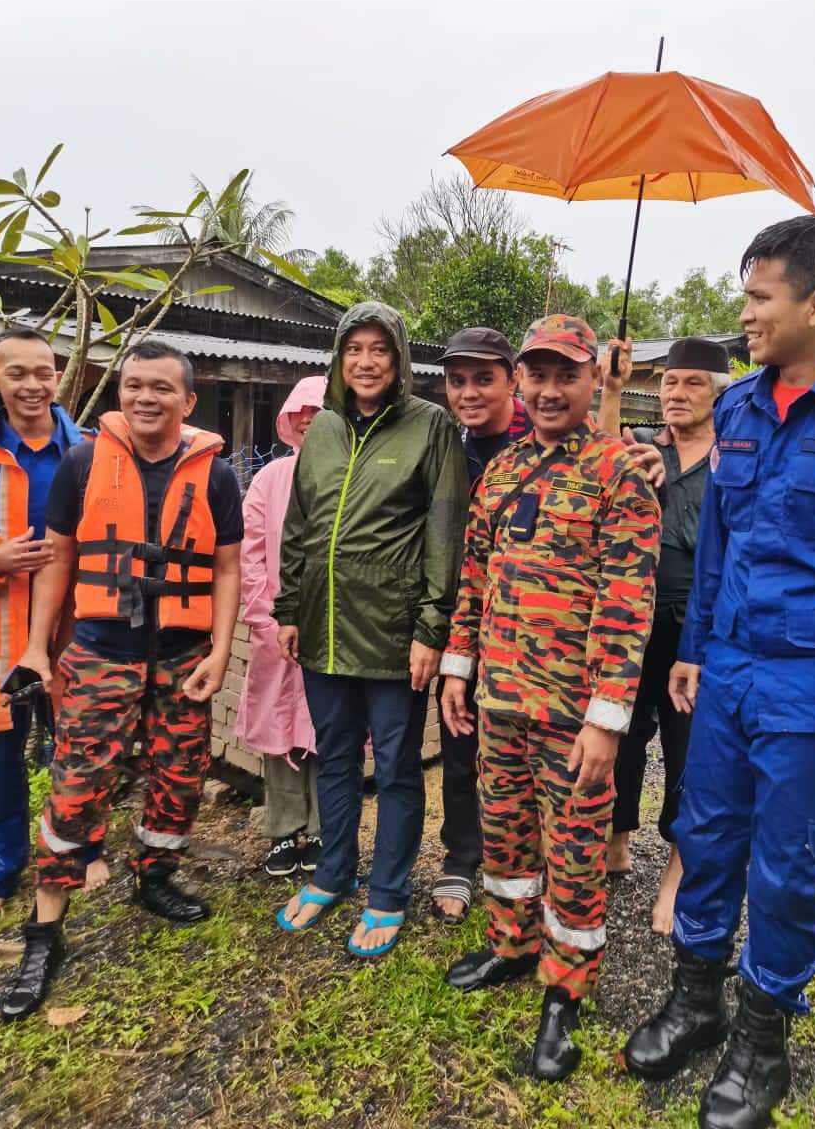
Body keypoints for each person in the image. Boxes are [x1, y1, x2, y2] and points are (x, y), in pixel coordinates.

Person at [624, 214, 815, 1129]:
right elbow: (717, 541)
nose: (747, 314)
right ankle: (696, 1000)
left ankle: (763, 1040)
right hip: (726, 667)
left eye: (760, 297)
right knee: (705, 829)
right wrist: (692, 652)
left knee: (793, 867)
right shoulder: (737, 410)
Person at [441, 315, 660, 1081]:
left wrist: (608, 722)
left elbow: (629, 602)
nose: (548, 389)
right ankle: (510, 943)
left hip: (574, 717)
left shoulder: (620, 474)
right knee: (503, 835)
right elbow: (474, 578)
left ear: (594, 377)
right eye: (536, 374)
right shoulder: (500, 472)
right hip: (499, 698)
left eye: (565, 373)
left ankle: (564, 993)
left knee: (572, 855)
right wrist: (457, 669)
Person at [0, 340, 242, 1022]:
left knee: (179, 777)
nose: (144, 397)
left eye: (161, 388)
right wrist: (39, 650)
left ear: (188, 402)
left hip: (183, 655)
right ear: (120, 394)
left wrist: (221, 652)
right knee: (76, 790)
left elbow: (226, 570)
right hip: (102, 652)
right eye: (134, 385)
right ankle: (44, 934)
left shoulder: (217, 477)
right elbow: (58, 563)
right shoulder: (82, 465)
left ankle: (154, 876)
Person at [273, 301, 469, 959]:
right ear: (338, 357)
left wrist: (431, 629)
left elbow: (446, 535)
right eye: (353, 348)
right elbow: (300, 528)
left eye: (379, 349)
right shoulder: (323, 429)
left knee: (395, 769)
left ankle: (387, 892)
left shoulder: (430, 426)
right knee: (333, 758)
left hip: (393, 633)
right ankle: (332, 872)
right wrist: (288, 609)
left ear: (399, 358)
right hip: (323, 627)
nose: (365, 361)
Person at [597, 336, 731, 933]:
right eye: (671, 382)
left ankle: (675, 875)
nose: (677, 393)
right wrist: (611, 388)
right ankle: (618, 836)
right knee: (622, 738)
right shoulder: (645, 448)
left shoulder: (734, 458)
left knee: (688, 754)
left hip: (695, 631)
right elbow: (601, 455)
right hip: (632, 624)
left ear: (718, 394)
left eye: (693, 383)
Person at [432, 327, 530, 922]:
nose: (468, 393)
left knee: (531, 750)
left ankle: (523, 856)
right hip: (464, 619)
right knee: (460, 737)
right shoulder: (448, 445)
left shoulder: (546, 440)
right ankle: (462, 856)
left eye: (483, 379)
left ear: (512, 380)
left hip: (535, 629)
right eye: (457, 380)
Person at [0, 329, 82, 910]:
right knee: (1, 753)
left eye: (42, 372)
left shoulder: (88, 452)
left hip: (74, 624)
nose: (32, 385)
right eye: (16, 373)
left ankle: (77, 850)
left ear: (57, 376)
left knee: (78, 743)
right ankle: (5, 870)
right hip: (2, 626)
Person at [235, 375, 325, 878]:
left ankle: (322, 830)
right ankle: (283, 830)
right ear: (289, 422)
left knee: (328, 729)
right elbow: (251, 551)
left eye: (318, 411)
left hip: (332, 630)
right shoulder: (270, 480)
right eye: (301, 413)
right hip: (277, 627)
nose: (309, 420)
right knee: (279, 729)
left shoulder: (351, 475)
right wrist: (261, 613)